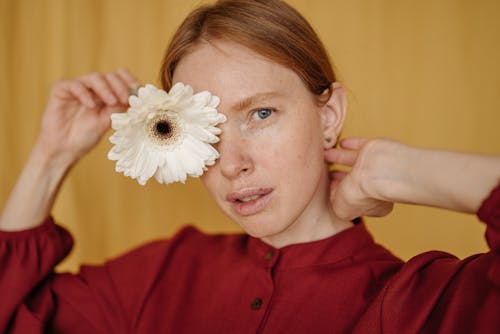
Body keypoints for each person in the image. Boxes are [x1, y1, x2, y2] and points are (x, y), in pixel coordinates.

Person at [1, 0, 499, 332]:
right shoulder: (164, 273)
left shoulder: (415, 305)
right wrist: (51, 156)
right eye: (207, 130)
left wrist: (399, 169)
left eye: (260, 114)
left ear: (329, 116)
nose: (231, 164)